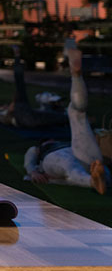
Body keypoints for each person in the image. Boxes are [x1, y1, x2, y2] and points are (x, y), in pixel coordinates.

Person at [24, 39, 110, 194]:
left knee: (77, 113)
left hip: (75, 153)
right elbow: (30, 155)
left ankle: (76, 76)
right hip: (56, 157)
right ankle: (76, 76)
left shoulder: (61, 146)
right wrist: (32, 171)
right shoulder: (41, 149)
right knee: (77, 117)